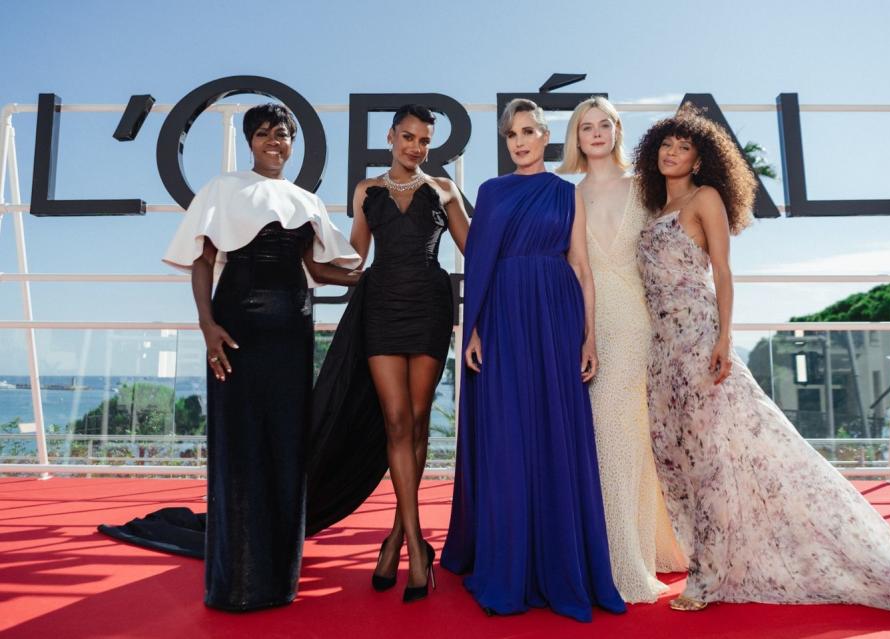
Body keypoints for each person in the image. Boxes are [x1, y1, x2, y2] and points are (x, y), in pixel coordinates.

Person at [635, 108, 890, 625]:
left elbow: (722, 272)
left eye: (683, 146)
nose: (672, 153)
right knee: (681, 464)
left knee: (717, 462)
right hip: (661, 354)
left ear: (700, 159)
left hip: (699, 343)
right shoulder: (653, 211)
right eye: (665, 145)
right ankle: (711, 560)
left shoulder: (705, 200)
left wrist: (723, 338)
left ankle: (708, 576)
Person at [159, 103, 361, 611]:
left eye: (284, 134)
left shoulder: (305, 199)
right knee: (239, 445)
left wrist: (370, 279)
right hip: (237, 329)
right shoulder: (222, 189)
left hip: (294, 331)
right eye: (266, 133)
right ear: (250, 141)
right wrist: (207, 326)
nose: (276, 141)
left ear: (293, 143)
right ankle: (238, 581)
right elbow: (203, 260)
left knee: (287, 446)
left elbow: (315, 265)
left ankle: (278, 577)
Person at [441, 98, 626, 622]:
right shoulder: (492, 193)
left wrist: (589, 337)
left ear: (545, 136)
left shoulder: (567, 195)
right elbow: (477, 263)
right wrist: (472, 327)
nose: (519, 141)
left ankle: (558, 561)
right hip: (502, 317)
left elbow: (582, 267)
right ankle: (509, 562)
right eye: (511, 135)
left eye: (528, 132)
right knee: (508, 437)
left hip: (555, 317)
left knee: (554, 434)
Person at [310, 104, 468, 603]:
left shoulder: (443, 190)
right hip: (380, 307)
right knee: (396, 421)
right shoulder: (366, 191)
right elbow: (357, 258)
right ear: (391, 136)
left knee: (419, 421)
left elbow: (476, 246)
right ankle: (416, 548)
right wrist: (309, 257)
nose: (415, 147)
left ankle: (400, 537)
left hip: (427, 306)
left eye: (423, 140)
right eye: (408, 136)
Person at [556, 97, 686, 604]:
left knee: (628, 429)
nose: (595, 133)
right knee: (613, 430)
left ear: (617, 129)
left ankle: (628, 558)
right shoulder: (568, 196)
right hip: (591, 322)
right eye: (585, 127)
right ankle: (619, 550)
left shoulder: (645, 189)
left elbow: (671, 250)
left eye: (603, 124)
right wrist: (585, 334)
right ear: (576, 136)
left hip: (642, 320)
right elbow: (577, 270)